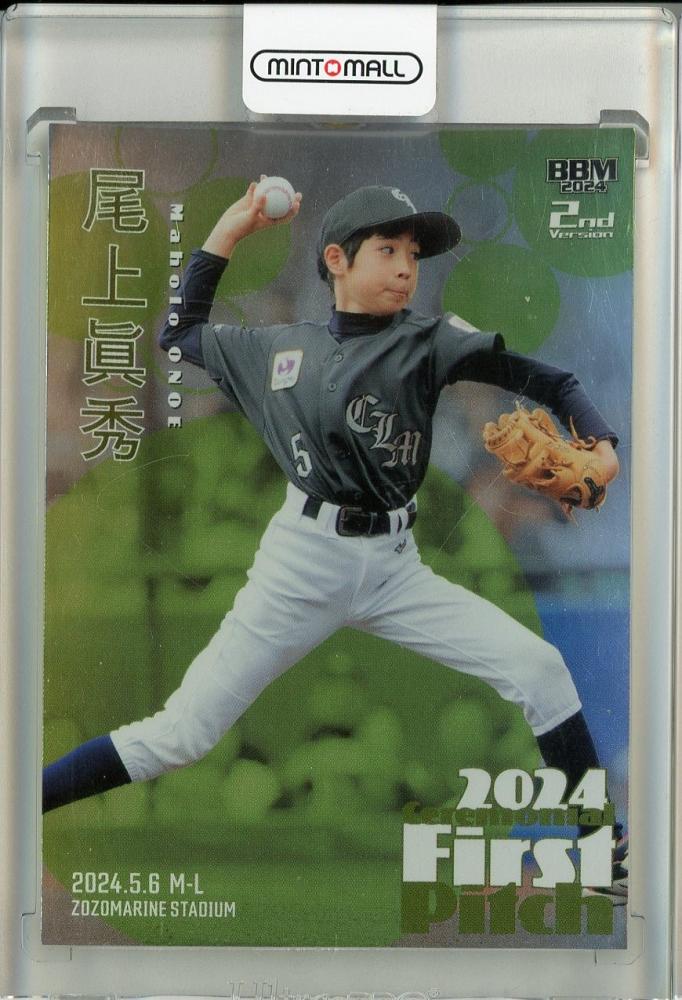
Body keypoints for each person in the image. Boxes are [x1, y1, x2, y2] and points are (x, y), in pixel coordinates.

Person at [43, 181, 626, 898]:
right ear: (336, 261)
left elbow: (552, 381)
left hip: (396, 566)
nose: (406, 266)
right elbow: (179, 333)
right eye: (387, 249)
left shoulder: (431, 341)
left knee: (540, 669)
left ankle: (602, 855)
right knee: (181, 735)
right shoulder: (277, 349)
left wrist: (601, 444)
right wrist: (230, 229)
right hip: (302, 561)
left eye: (413, 253)